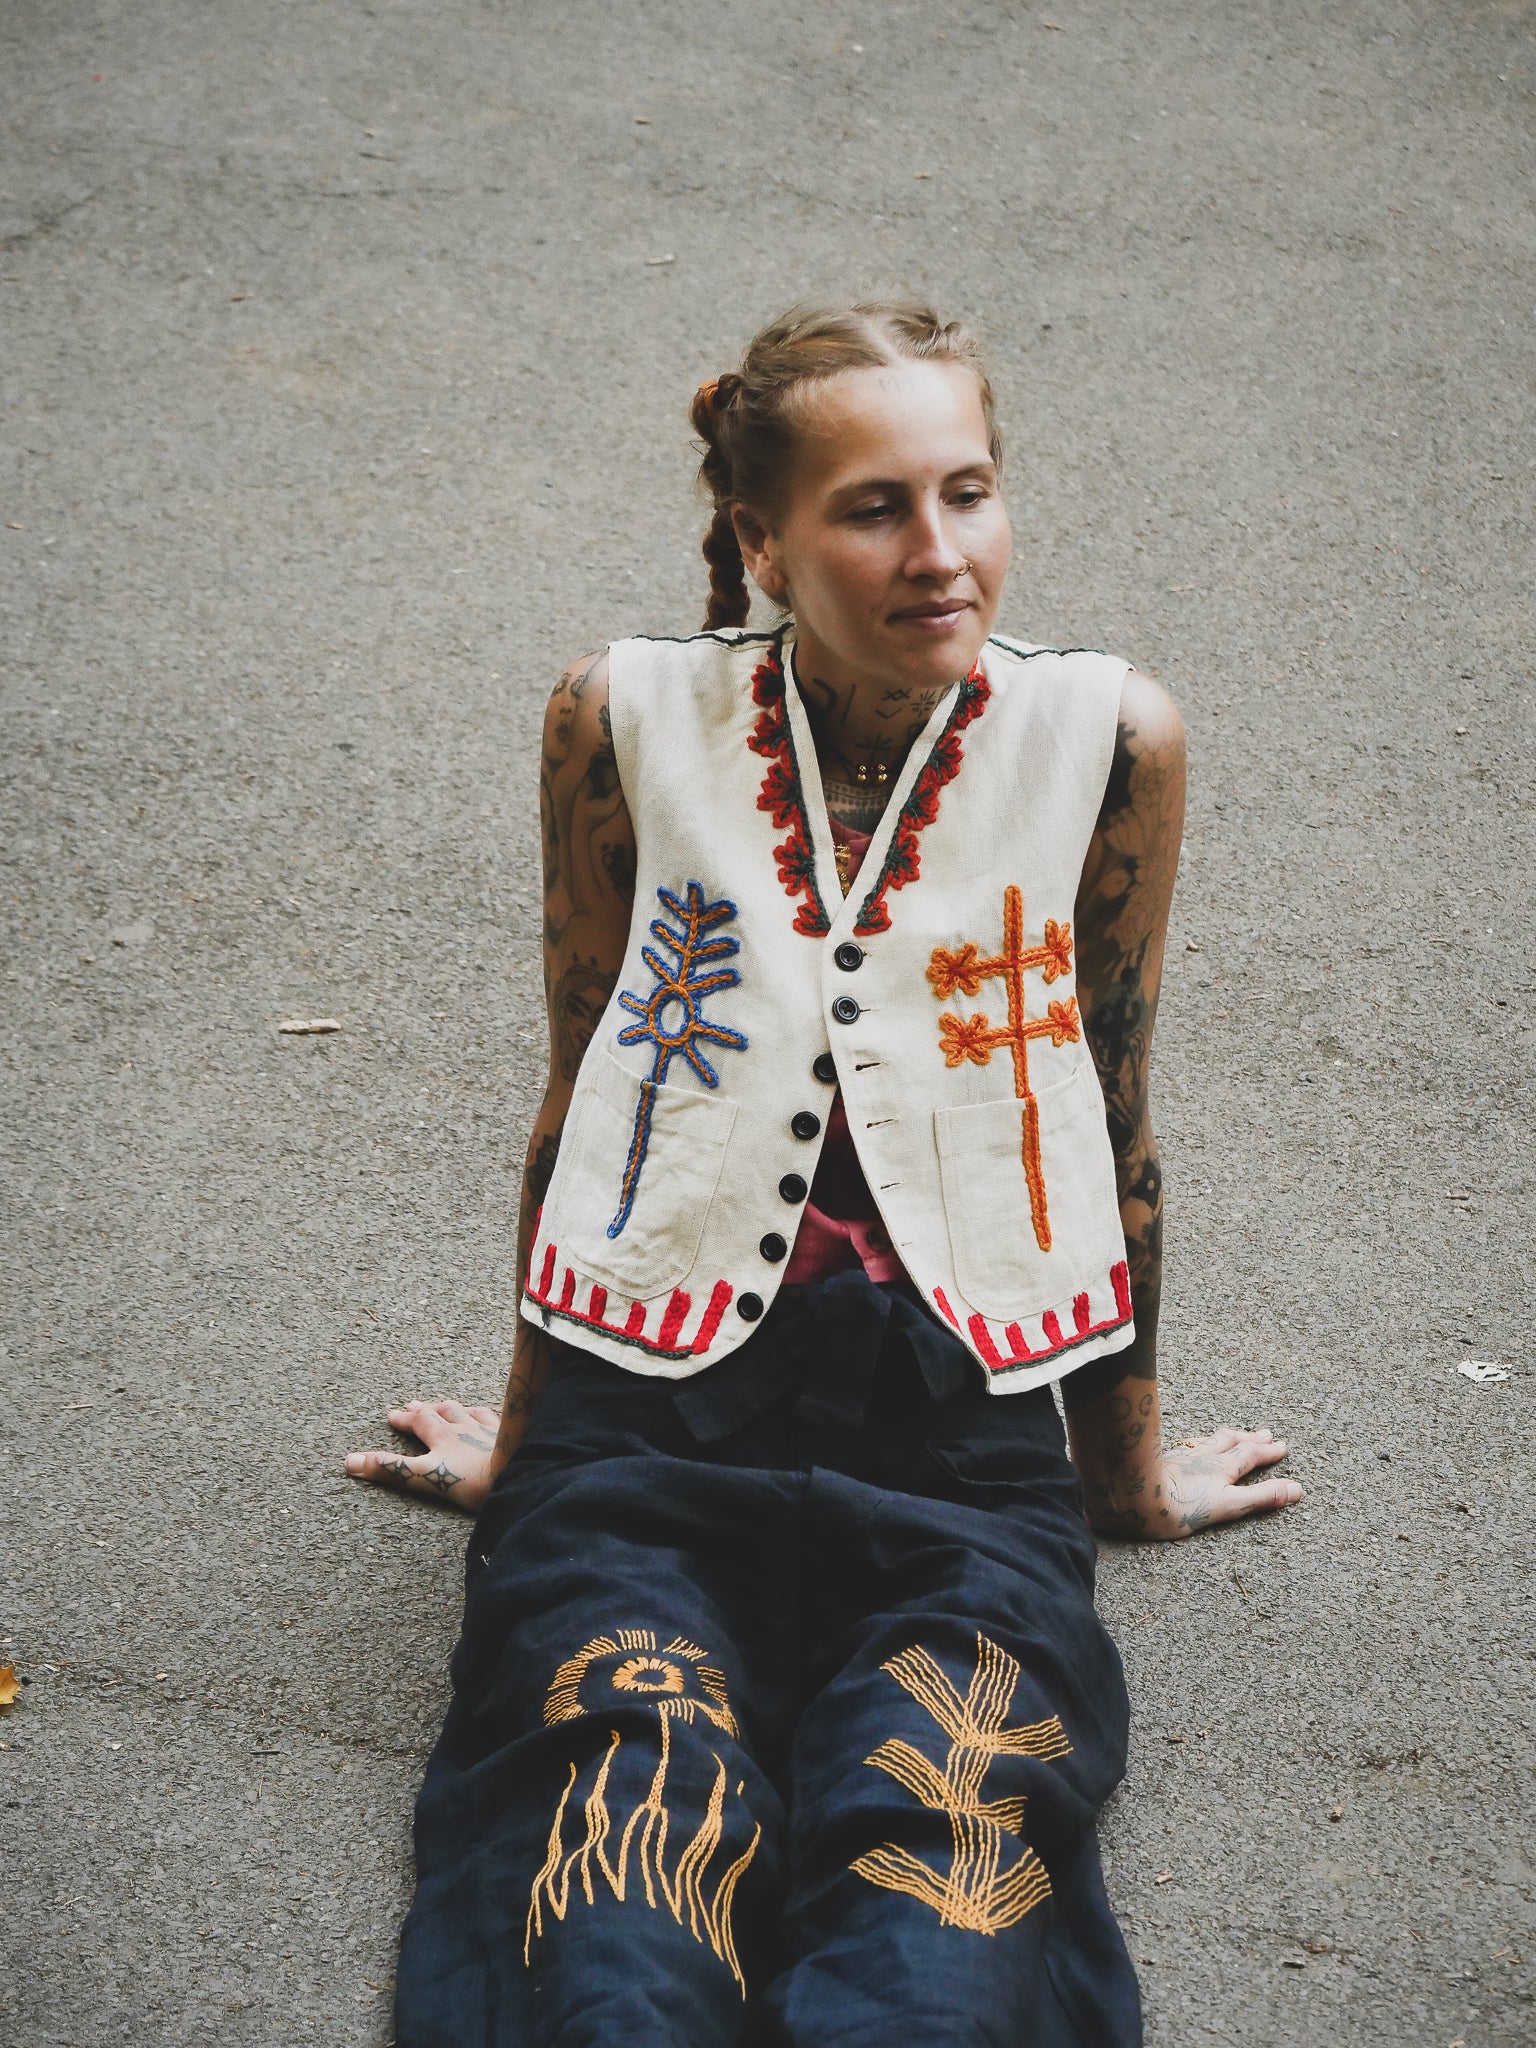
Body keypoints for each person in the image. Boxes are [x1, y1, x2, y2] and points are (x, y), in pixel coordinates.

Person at [346, 302, 1302, 2047]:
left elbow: (1112, 1104)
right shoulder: (621, 714)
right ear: (763, 538)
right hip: (647, 1410)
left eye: (971, 491)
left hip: (957, 1433)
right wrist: (532, 1433)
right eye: (873, 510)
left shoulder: (1109, 739)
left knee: (948, 1833)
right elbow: (584, 1091)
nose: (941, 555)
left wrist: (1130, 1472)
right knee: (624, 1804)